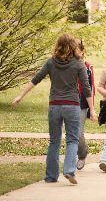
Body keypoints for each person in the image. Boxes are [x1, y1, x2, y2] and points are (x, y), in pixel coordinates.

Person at [12, 33, 97, 185]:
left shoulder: (51, 62)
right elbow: (86, 87)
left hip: (55, 105)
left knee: (54, 141)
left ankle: (51, 176)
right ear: (72, 45)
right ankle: (69, 171)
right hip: (72, 106)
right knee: (72, 140)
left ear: (58, 45)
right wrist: (92, 109)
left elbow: (36, 79)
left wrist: (20, 96)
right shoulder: (79, 63)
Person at [76, 40, 95, 170]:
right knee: (70, 132)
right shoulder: (67, 65)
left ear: (82, 52)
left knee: (78, 132)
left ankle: (82, 154)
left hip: (82, 102)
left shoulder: (88, 67)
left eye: (76, 49)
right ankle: (72, 157)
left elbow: (91, 87)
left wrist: (91, 109)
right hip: (67, 102)